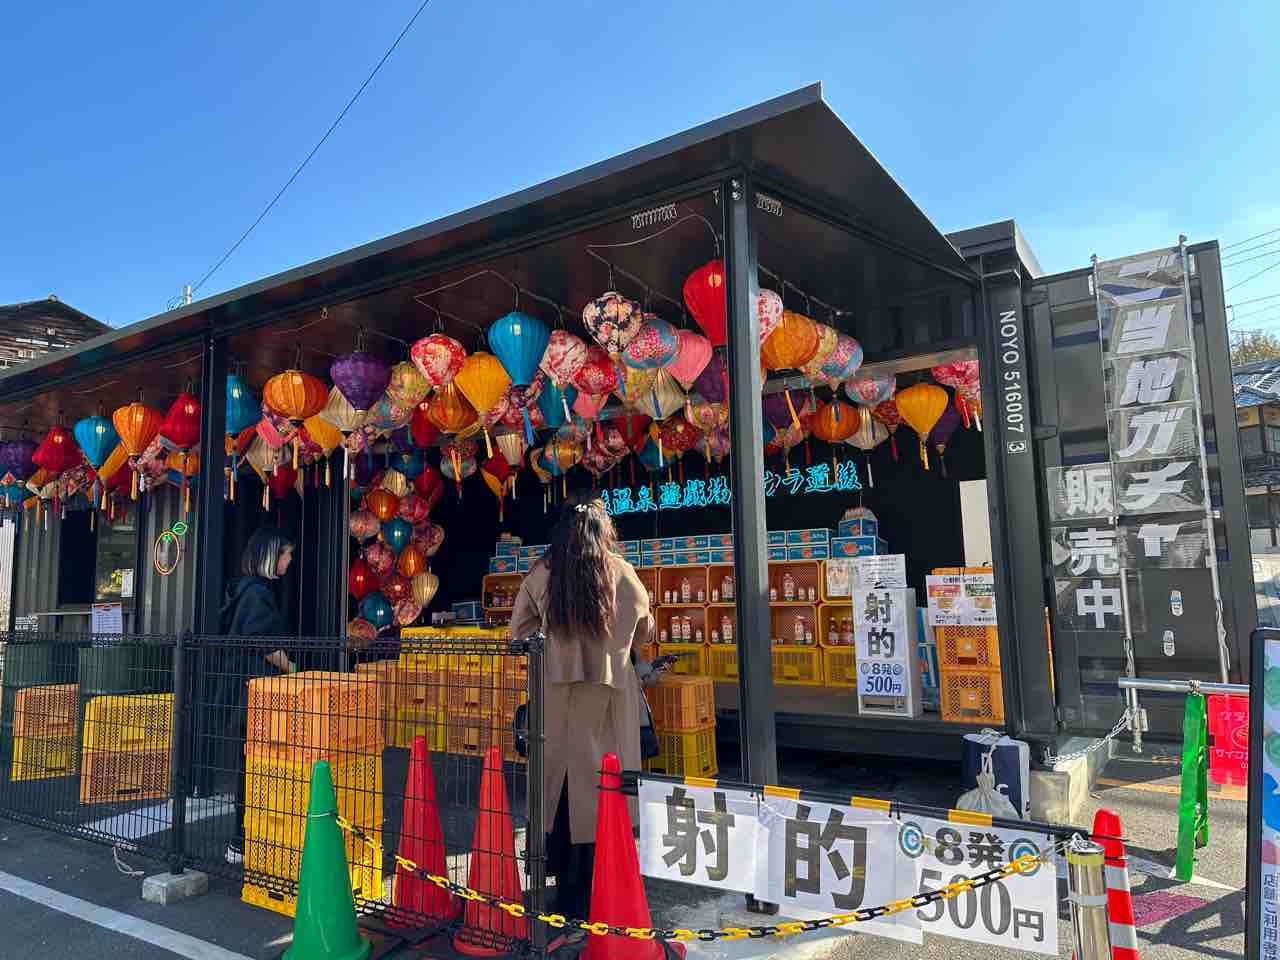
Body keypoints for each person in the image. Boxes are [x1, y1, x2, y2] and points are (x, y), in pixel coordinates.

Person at [510, 493, 651, 925]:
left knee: (559, 788)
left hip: (556, 700)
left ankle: (560, 887)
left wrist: (556, 644)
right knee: (605, 791)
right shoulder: (623, 574)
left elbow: (519, 632)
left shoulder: (543, 573)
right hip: (609, 703)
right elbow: (644, 629)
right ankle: (604, 889)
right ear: (602, 532)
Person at [215, 526, 297, 864]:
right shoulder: (257, 594)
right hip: (256, 690)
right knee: (257, 763)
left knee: (252, 762)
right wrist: (293, 669)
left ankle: (245, 838)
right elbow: (263, 642)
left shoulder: (243, 590)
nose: (290, 561)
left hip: (241, 689)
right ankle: (242, 840)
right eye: (287, 554)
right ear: (271, 556)